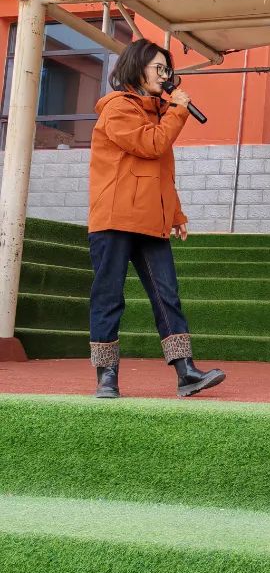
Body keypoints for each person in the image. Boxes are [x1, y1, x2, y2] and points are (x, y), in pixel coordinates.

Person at [87, 39, 225, 399]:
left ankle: (186, 371)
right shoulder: (118, 108)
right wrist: (178, 110)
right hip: (115, 219)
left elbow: (160, 171)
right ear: (137, 68)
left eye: (168, 70)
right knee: (109, 297)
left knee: (167, 295)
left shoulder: (158, 113)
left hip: (150, 219)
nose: (165, 77)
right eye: (159, 69)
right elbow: (150, 145)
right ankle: (106, 376)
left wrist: (175, 213)